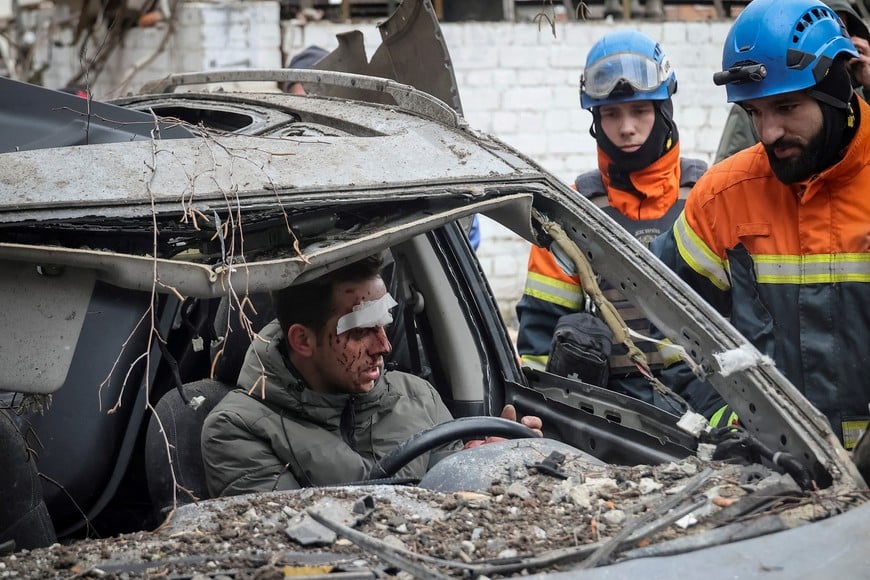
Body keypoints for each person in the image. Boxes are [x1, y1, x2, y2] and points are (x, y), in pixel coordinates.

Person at [652, 0, 870, 448]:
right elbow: (669, 329)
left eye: (786, 107)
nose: (768, 132)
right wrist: (733, 417)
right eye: (754, 112)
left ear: (838, 88)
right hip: (771, 479)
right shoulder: (722, 196)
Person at [201, 254, 542, 497]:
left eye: (384, 324)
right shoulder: (235, 428)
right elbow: (293, 541)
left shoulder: (418, 395)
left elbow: (456, 499)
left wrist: (487, 464)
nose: (384, 346)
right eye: (361, 330)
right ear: (302, 340)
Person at [515, 29, 707, 410]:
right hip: (614, 417)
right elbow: (540, 335)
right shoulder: (572, 210)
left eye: (641, 110)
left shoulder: (707, 197)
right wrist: (542, 412)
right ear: (596, 120)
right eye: (611, 114)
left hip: (706, 406)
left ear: (664, 109)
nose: (626, 128)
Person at [714, 0, 870, 162]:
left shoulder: (853, 93)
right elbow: (733, 165)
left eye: (841, 30)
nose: (769, 135)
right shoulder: (758, 96)